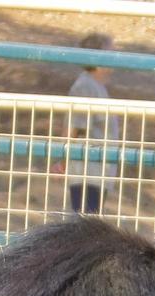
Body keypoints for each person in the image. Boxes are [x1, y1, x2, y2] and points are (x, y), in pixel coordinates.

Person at [66, 33, 120, 216]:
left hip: (98, 172)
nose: (116, 56)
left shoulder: (97, 87)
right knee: (83, 224)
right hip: (87, 172)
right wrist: (63, 157)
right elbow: (76, 127)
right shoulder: (85, 86)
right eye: (111, 52)